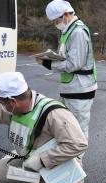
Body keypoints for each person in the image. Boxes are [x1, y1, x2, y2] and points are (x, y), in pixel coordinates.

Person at [36, 0, 97, 141]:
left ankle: (77, 162)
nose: (55, 24)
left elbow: (74, 64)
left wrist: (49, 64)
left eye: (56, 20)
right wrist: (51, 58)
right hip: (73, 88)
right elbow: (68, 58)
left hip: (80, 89)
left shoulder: (77, 32)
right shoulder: (69, 31)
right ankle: (69, 160)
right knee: (67, 128)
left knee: (78, 131)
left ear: (65, 15)